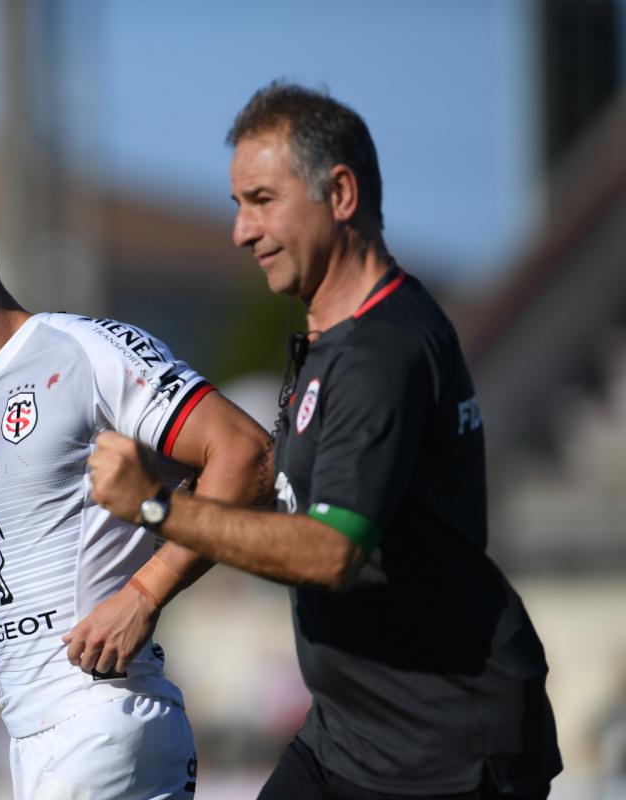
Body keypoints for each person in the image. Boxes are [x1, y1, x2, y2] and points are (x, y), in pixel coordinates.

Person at [88, 82, 563, 799]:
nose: (241, 231)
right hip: (348, 736)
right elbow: (292, 488)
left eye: (262, 200)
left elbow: (331, 550)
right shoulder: (325, 333)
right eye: (237, 205)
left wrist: (156, 506)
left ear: (340, 194)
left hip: (443, 754)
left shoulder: (383, 352)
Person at [0, 183, 271, 800]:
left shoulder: (82, 351)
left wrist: (145, 594)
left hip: (104, 715)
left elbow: (245, 452)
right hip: (33, 738)